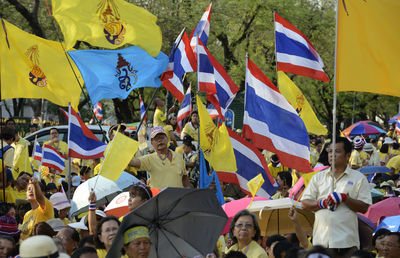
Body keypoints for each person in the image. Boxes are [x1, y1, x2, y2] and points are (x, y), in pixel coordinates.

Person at [301, 137, 372, 257]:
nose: (332, 155)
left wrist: (345, 199)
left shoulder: (359, 178)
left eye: (337, 151)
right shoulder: (318, 177)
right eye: (330, 151)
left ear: (348, 155)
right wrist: (322, 203)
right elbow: (305, 203)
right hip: (322, 241)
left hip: (347, 242)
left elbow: (364, 207)